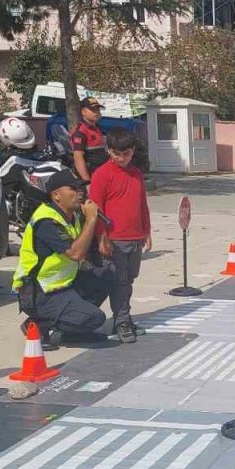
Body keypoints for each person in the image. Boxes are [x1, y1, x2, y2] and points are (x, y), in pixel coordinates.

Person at [13, 169, 115, 350]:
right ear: (56, 195)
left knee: (106, 273)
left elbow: (87, 251)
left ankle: (72, 329)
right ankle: (38, 323)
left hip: (65, 284)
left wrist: (99, 235)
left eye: (81, 188)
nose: (80, 193)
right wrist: (91, 220)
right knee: (95, 318)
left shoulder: (73, 215)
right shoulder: (46, 221)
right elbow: (75, 253)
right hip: (41, 292)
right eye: (73, 189)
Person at [89, 129, 152, 344]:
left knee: (129, 280)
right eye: (116, 153)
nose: (121, 158)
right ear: (108, 150)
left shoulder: (136, 174)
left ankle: (125, 316)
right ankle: (122, 321)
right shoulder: (101, 175)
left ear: (133, 151)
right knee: (118, 282)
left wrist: (147, 232)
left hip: (135, 238)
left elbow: (142, 205)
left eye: (125, 153)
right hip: (114, 239)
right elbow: (95, 211)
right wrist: (102, 237)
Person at [70, 96, 108, 182]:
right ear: (83, 111)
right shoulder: (80, 131)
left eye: (98, 109)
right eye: (93, 110)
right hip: (91, 176)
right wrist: (87, 182)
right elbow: (78, 157)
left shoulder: (96, 128)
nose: (96, 112)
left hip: (100, 175)